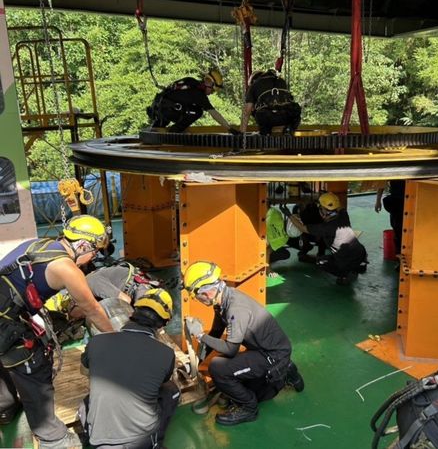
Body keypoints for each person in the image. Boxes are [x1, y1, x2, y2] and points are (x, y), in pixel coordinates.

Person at [0, 214, 114, 448]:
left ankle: (5, 408)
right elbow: (91, 309)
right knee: (33, 368)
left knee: (4, 363)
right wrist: (115, 338)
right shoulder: (67, 268)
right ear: (82, 245)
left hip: (6, 311)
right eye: (94, 251)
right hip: (4, 321)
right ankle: (53, 438)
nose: (92, 258)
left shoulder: (38, 244)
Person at [182, 261, 304, 426]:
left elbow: (231, 349)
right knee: (231, 373)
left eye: (196, 296)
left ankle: (249, 408)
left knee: (218, 368)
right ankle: (287, 367)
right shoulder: (223, 301)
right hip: (271, 348)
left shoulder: (235, 309)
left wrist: (199, 335)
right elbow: (216, 332)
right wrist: (197, 359)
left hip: (271, 356)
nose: (196, 299)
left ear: (207, 293)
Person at [79, 288, 179, 449]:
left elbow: (85, 372)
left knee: (86, 401)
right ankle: (157, 442)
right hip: (141, 441)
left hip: (101, 442)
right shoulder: (166, 354)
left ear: (132, 314)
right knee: (172, 391)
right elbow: (162, 382)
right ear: (163, 324)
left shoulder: (97, 342)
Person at [287, 192, 368, 285]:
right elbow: (340, 207)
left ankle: (345, 274)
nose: (319, 209)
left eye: (320, 207)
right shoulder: (343, 215)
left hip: (348, 262)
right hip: (362, 256)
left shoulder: (325, 228)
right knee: (342, 254)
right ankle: (354, 269)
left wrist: (289, 215)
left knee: (320, 262)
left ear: (324, 211)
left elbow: (302, 228)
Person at [146, 68, 240, 134]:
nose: (212, 93)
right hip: (166, 110)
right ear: (209, 82)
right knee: (198, 111)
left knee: (183, 108)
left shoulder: (190, 81)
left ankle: (156, 127)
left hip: (157, 107)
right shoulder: (199, 95)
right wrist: (230, 129)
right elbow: (214, 113)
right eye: (213, 90)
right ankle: (175, 132)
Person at [240, 69, 301, 135]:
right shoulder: (281, 81)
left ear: (253, 80)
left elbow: (247, 112)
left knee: (260, 113)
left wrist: (240, 134)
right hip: (289, 116)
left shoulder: (254, 84)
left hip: (268, 117)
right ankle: (286, 130)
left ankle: (265, 134)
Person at [374, 180, 406, 255]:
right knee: (398, 230)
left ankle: (400, 255)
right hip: (397, 202)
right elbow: (382, 182)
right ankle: (399, 256)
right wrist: (378, 201)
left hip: (406, 200)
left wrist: (378, 200)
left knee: (400, 230)